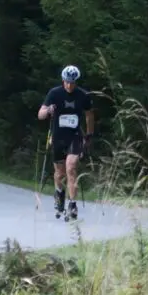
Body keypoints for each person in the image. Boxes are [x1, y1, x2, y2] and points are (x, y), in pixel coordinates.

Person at [37, 64, 95, 219]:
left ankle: (72, 204)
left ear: (76, 81)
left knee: (71, 168)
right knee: (59, 173)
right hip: (57, 137)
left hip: (75, 137)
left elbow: (89, 115)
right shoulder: (54, 93)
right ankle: (59, 193)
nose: (69, 85)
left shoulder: (82, 95)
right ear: (63, 80)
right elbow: (40, 114)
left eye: (73, 82)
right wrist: (48, 110)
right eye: (67, 82)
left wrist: (89, 135)